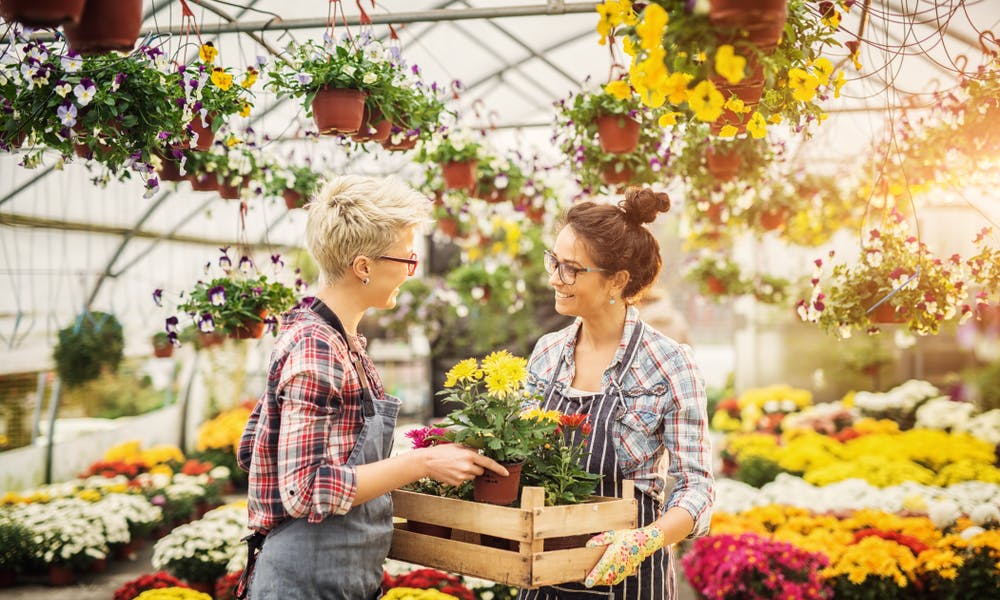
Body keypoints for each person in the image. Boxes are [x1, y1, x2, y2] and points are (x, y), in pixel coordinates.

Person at [235, 175, 507, 600]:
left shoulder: (341, 340)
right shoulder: (318, 346)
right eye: (406, 260)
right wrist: (423, 464)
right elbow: (303, 489)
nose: (410, 272)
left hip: (339, 578)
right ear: (363, 266)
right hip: (304, 583)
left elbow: (253, 449)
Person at [520, 187, 715, 599]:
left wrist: (645, 540)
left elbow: (695, 487)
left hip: (630, 579)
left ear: (618, 281)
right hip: (544, 575)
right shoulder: (547, 354)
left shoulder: (669, 363)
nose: (555, 277)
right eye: (553, 261)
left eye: (571, 269)